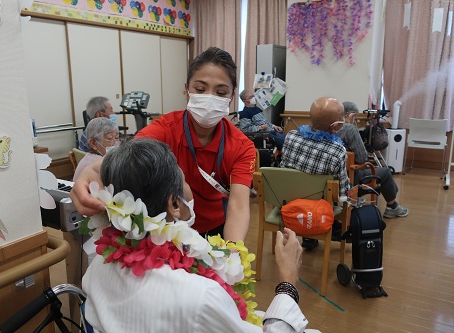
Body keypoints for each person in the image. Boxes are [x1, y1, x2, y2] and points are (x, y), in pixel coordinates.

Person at [82, 137, 319, 333]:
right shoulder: (201, 296)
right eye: (183, 179)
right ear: (174, 204)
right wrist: (288, 279)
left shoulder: (97, 267)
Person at [70, 47, 256, 242]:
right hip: (168, 229)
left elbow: (239, 205)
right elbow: (121, 159)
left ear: (232, 97)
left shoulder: (241, 147)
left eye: (221, 92)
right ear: (186, 90)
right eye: (200, 89)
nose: (209, 97)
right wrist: (88, 174)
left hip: (214, 228)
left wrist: (233, 251)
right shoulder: (164, 130)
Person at [279, 97, 350, 250]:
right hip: (318, 208)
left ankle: (309, 238)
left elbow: (284, 167)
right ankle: (323, 231)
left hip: (290, 201)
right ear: (335, 126)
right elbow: (342, 192)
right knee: (330, 193)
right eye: (342, 118)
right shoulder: (337, 150)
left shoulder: (291, 137)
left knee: (305, 188)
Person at [337, 101, 409, 219]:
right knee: (385, 172)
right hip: (349, 176)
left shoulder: (326, 127)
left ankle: (393, 204)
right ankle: (393, 207)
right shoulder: (349, 129)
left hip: (331, 177)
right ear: (350, 115)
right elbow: (362, 158)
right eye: (355, 116)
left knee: (382, 173)